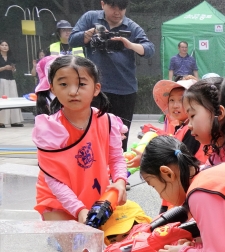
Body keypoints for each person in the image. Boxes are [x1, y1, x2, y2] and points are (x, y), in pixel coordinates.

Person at [34, 55, 127, 224]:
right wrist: (78, 209)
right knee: (76, 245)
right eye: (63, 84)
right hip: (57, 200)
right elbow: (53, 180)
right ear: (53, 89)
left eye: (82, 84)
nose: (72, 91)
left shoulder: (108, 121)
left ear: (96, 88)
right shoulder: (49, 129)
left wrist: (120, 181)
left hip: (95, 195)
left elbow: (116, 158)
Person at [69, 0, 155, 150]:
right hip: (95, 89)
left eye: (122, 8)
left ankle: (116, 171)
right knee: (91, 133)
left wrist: (129, 44)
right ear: (103, 4)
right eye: (113, 7)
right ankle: (92, 169)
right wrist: (89, 34)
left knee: (120, 136)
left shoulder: (131, 27)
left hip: (124, 90)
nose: (117, 12)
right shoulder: (91, 18)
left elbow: (149, 50)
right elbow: (72, 40)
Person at [0, 41, 24, 128]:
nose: (4, 47)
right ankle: (1, 121)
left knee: (13, 99)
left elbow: (15, 70)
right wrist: (4, 68)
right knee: (3, 100)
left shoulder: (11, 57)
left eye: (6, 45)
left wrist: (13, 68)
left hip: (11, 79)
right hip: (1, 80)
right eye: (2, 45)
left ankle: (15, 121)